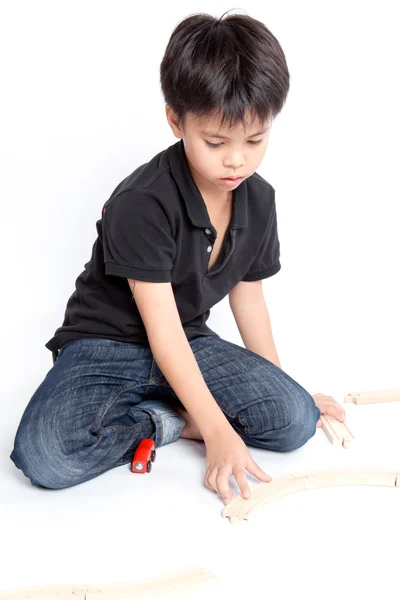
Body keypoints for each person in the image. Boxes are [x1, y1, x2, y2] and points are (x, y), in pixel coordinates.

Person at [10, 11, 346, 504]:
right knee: (46, 457)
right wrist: (214, 431)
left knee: (296, 422)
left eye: (255, 140)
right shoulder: (142, 202)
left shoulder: (260, 199)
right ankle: (167, 420)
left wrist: (283, 387)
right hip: (108, 344)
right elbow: (159, 331)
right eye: (216, 142)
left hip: (187, 341)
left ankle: (166, 409)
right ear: (175, 120)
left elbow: (248, 302)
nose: (237, 160)